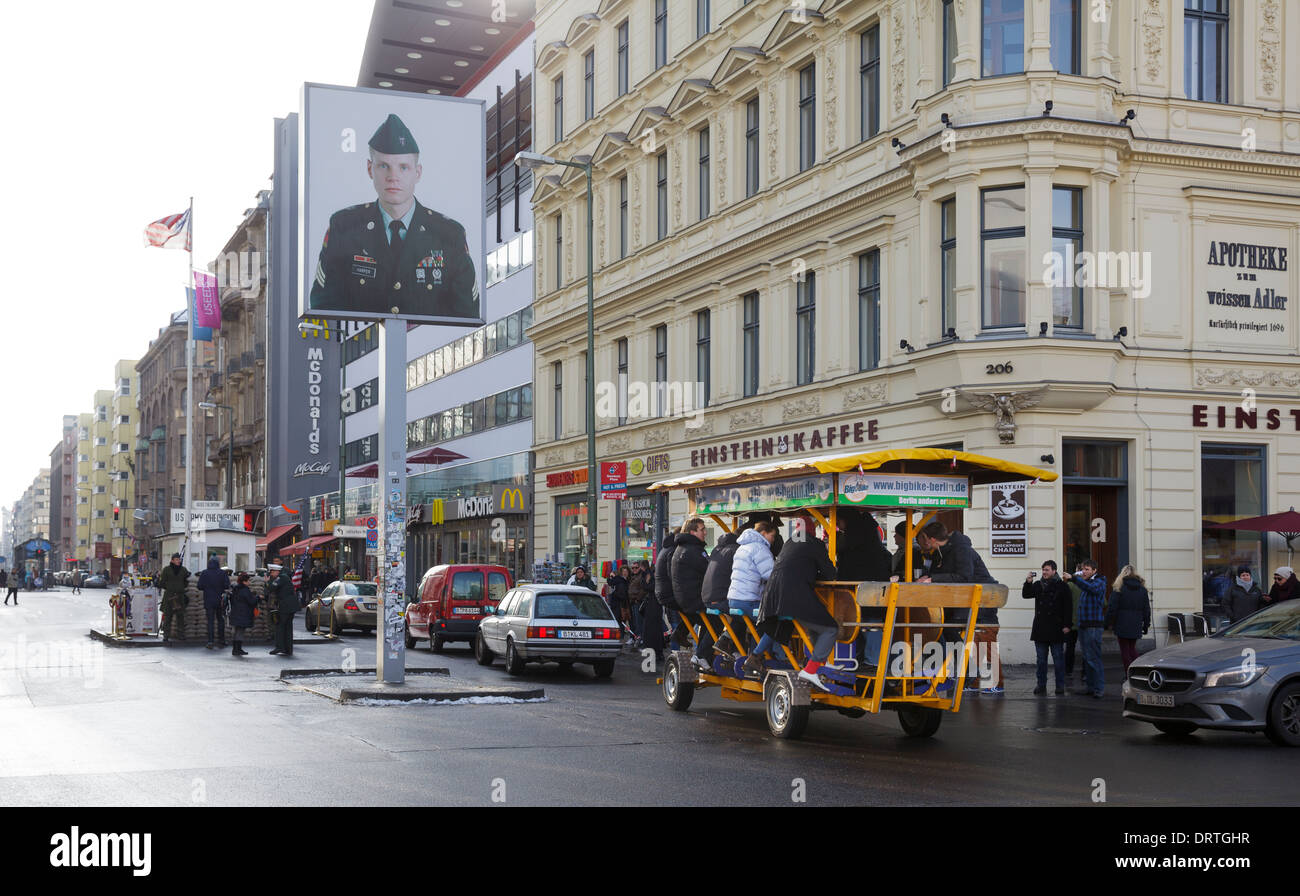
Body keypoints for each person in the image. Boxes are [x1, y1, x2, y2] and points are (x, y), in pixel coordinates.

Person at [309, 113, 479, 320]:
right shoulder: (344, 227)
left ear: (418, 173)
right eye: (384, 166)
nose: (393, 177)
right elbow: (323, 304)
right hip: (365, 347)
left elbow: (467, 312)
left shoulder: (449, 234)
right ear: (370, 169)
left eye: (403, 167)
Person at [743, 514, 839, 690]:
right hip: (795, 594)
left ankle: (818, 664)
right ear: (812, 530)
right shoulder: (813, 543)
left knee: (815, 626)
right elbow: (830, 573)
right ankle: (811, 669)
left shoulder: (789, 543)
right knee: (831, 629)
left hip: (773, 595)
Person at [917, 520, 1003, 694]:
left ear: (933, 539)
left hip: (981, 603)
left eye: (925, 539)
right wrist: (927, 576)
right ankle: (968, 675)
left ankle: (991, 682)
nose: (924, 544)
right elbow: (937, 573)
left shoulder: (961, 549)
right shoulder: (940, 553)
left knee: (984, 642)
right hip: (961, 603)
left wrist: (933, 579)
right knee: (944, 628)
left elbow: (964, 577)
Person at [1022, 560, 1072, 695]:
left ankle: (1060, 686)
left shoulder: (1062, 586)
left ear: (1054, 571)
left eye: (1047, 570)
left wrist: (1067, 625)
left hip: (1057, 627)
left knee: (1058, 659)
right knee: (1041, 660)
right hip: (1040, 628)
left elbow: (1068, 607)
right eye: (1043, 570)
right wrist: (1028, 582)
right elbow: (1026, 595)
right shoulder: (1038, 585)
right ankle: (1041, 685)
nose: (1044, 572)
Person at [670, 518, 712, 671]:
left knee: (709, 622)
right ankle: (701, 655)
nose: (705, 532)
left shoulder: (683, 548)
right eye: (702, 529)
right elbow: (709, 572)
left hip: (686, 598)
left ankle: (702, 655)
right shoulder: (694, 550)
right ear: (692, 532)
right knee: (717, 621)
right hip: (694, 598)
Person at [1064, 559, 1107, 698]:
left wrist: (1074, 578)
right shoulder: (1086, 583)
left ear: (1094, 570)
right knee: (1087, 657)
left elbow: (1093, 589)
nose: (1084, 571)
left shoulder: (1099, 581)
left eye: (1087, 569)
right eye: (1083, 569)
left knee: (1094, 658)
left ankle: (1099, 688)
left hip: (1093, 626)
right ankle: (1090, 686)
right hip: (1084, 625)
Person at [727, 520, 777, 614]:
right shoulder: (760, 548)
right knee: (774, 617)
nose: (773, 539)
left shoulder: (742, 547)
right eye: (772, 536)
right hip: (749, 600)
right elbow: (771, 575)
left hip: (734, 599)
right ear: (763, 533)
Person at [1107, 565, 1150, 673]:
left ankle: (1130, 674)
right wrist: (1146, 625)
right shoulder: (1142, 589)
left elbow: (1112, 608)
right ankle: (1138, 671)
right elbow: (1146, 609)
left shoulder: (1119, 588)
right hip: (1136, 623)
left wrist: (1107, 623)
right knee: (1132, 649)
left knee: (1125, 651)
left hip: (1122, 623)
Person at [654, 529, 682, 649]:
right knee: (677, 625)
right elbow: (673, 575)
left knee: (677, 624)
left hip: (666, 594)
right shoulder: (672, 551)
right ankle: (676, 653)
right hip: (672, 594)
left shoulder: (666, 549)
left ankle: (676, 652)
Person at [197, 556, 232, 649]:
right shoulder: (222, 573)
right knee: (221, 620)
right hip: (220, 601)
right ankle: (222, 640)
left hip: (208, 600)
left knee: (210, 621)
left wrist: (207, 587)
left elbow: (199, 586)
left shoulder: (204, 573)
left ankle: (210, 641)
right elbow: (227, 585)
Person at [158, 553, 191, 643]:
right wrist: (169, 588)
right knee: (168, 616)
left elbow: (186, 582)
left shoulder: (183, 570)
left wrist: (180, 588)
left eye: (179, 559)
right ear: (172, 560)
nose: (178, 561)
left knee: (180, 617)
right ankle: (166, 635)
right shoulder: (167, 570)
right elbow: (162, 583)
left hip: (180, 596)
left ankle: (181, 635)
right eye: (176, 559)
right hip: (169, 596)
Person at [267, 563, 298, 656]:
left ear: (276, 571)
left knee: (280, 626)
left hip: (285, 606)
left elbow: (271, 588)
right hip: (291, 605)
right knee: (288, 627)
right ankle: (288, 649)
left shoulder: (281, 578)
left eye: (272, 572)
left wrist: (268, 582)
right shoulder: (285, 577)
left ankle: (279, 647)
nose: (271, 574)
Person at [227, 572, 259, 657]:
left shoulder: (236, 589)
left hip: (236, 613)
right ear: (244, 582)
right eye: (248, 581)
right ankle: (237, 649)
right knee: (240, 632)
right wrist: (257, 598)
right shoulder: (245, 590)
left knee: (237, 631)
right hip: (243, 614)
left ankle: (236, 649)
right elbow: (251, 602)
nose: (249, 583)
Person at [606, 563, 630, 636]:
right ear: (621, 572)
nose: (625, 573)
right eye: (623, 571)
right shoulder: (620, 581)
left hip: (621, 604)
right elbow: (620, 594)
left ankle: (620, 635)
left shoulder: (624, 580)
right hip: (619, 604)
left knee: (621, 621)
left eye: (626, 571)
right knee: (620, 620)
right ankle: (620, 635)